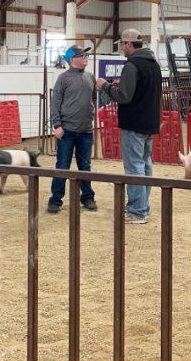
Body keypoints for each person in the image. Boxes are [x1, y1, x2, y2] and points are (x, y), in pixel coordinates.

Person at [96, 29, 162, 225]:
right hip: (150, 122)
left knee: (134, 167)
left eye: (122, 45)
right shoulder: (153, 64)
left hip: (134, 123)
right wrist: (121, 84)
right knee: (145, 165)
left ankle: (137, 211)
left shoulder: (132, 65)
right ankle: (143, 206)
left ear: (129, 44)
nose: (121, 49)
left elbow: (124, 97)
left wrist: (105, 86)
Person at [48, 45, 98, 214]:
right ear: (72, 60)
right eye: (82, 55)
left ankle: (88, 197)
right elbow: (55, 103)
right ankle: (55, 200)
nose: (86, 57)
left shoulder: (91, 77)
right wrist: (57, 125)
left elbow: (93, 99)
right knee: (62, 165)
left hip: (86, 131)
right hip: (66, 130)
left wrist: (89, 117)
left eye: (86, 55)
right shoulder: (63, 78)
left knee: (85, 166)